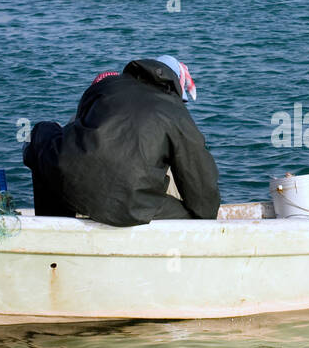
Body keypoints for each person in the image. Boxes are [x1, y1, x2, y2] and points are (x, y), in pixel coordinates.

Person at [23, 55, 220, 227]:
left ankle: (52, 224)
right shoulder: (177, 114)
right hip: (129, 205)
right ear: (175, 88)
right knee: (191, 215)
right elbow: (201, 187)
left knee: (43, 133)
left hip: (69, 185)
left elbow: (76, 127)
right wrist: (205, 220)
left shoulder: (107, 86)